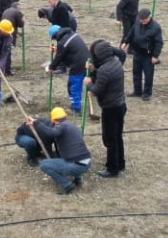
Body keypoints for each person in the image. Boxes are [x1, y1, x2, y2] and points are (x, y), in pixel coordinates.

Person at [87, 39, 128, 178]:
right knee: (118, 136)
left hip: (110, 109)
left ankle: (112, 168)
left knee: (110, 139)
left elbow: (97, 90)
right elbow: (105, 78)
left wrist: (89, 84)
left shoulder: (104, 70)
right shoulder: (116, 63)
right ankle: (120, 163)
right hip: (121, 105)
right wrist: (94, 71)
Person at [28, 107, 92, 194]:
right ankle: (78, 178)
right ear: (65, 116)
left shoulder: (61, 126)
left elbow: (51, 133)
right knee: (71, 155)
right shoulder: (71, 125)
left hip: (77, 166)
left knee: (44, 165)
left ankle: (67, 185)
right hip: (87, 162)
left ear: (53, 120)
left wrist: (37, 123)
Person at [121, 8, 163, 101]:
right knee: (136, 73)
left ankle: (147, 93)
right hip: (137, 52)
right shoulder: (138, 22)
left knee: (148, 75)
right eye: (141, 19)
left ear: (149, 17)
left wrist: (155, 56)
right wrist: (125, 42)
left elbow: (159, 43)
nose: (142, 21)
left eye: (144, 19)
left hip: (148, 55)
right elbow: (131, 33)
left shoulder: (156, 27)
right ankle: (137, 91)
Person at [48, 24, 89, 113]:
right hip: (87, 62)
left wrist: (51, 67)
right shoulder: (72, 34)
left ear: (55, 36)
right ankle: (78, 103)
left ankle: (76, 108)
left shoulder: (62, 42)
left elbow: (59, 57)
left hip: (78, 65)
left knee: (73, 86)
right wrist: (57, 49)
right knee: (78, 85)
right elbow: (68, 50)